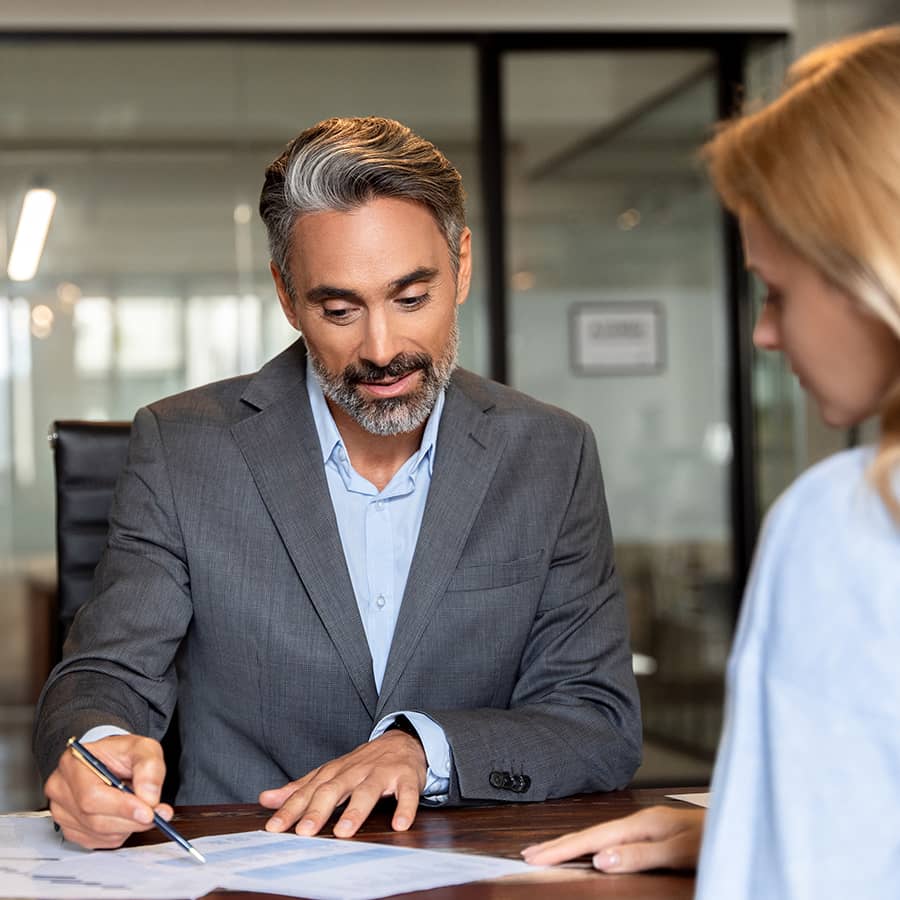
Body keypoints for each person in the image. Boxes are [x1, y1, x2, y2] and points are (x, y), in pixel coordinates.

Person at [33, 116, 641, 851]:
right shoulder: (181, 448)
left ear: (463, 265)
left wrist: (423, 748)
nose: (382, 351)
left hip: (470, 869)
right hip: (241, 868)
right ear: (288, 297)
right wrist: (94, 748)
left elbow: (597, 719)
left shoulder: (552, 453)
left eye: (412, 298)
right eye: (340, 310)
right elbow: (106, 674)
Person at [522, 25, 900, 899]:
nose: (765, 335)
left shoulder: (847, 517)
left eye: (777, 291)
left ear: (872, 271)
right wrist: (741, 818)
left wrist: (753, 844)